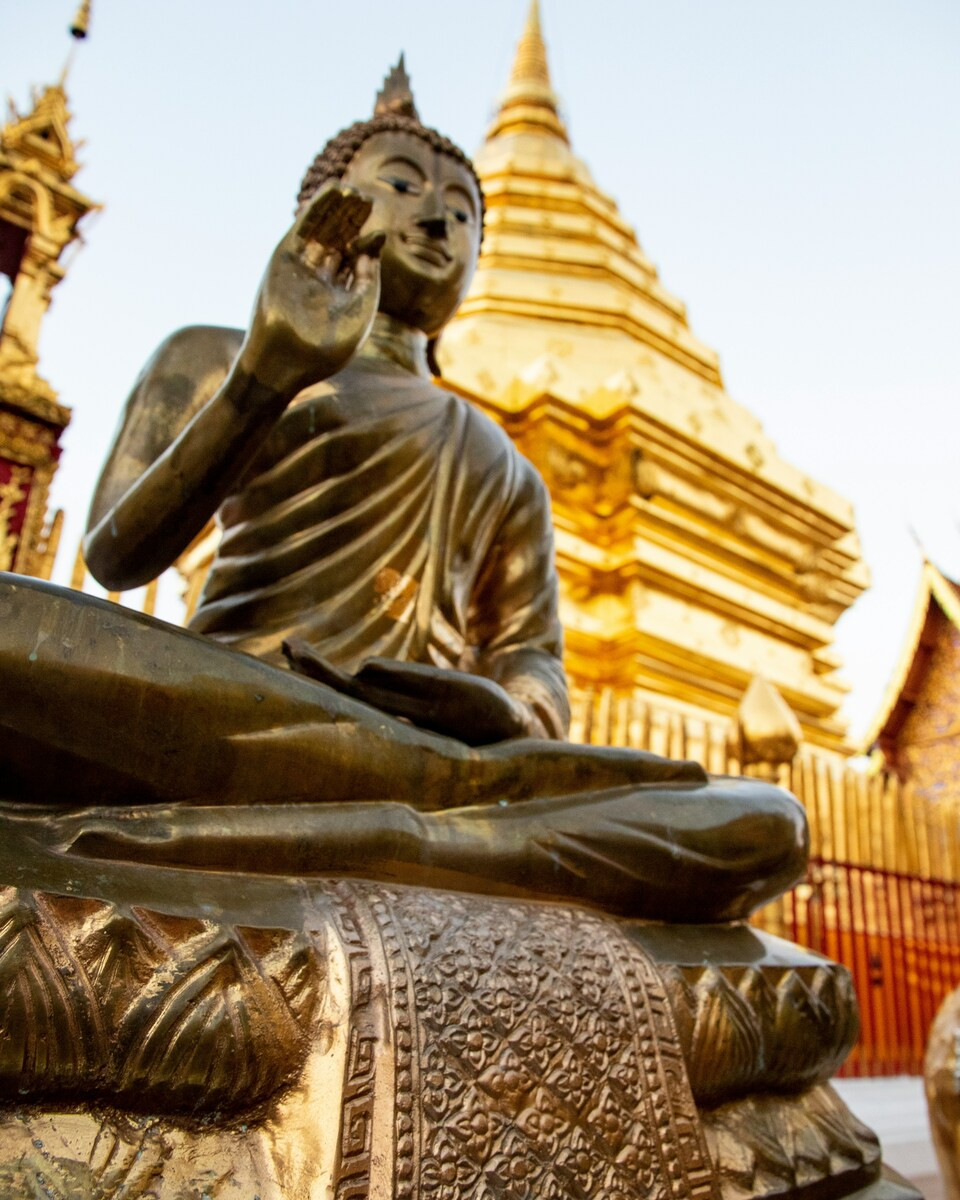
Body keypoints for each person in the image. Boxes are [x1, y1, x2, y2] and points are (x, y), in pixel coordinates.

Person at [0, 64, 807, 922]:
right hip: (238, 711)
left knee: (769, 824)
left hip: (440, 763)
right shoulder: (217, 353)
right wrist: (264, 376)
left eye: (464, 213)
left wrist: (507, 708)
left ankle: (395, 835)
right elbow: (116, 556)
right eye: (400, 186)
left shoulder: (501, 461)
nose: (436, 218)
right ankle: (409, 845)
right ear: (328, 209)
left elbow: (532, 661)